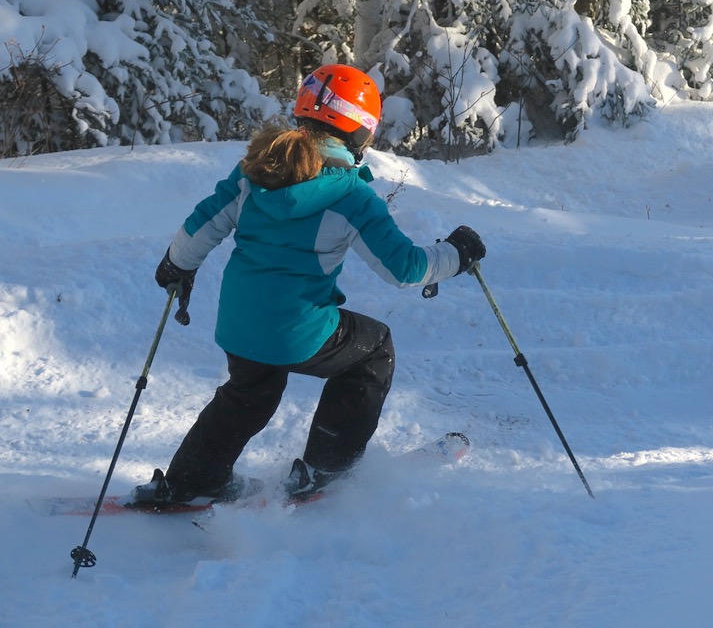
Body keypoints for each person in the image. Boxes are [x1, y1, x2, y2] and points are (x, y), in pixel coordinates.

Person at [130, 64, 486, 506]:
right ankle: (324, 471)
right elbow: (405, 268)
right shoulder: (351, 196)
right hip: (297, 330)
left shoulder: (252, 174)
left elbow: (203, 224)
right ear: (359, 131)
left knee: (249, 393)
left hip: (238, 326)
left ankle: (193, 480)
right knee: (374, 351)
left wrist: (176, 267)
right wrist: (457, 255)